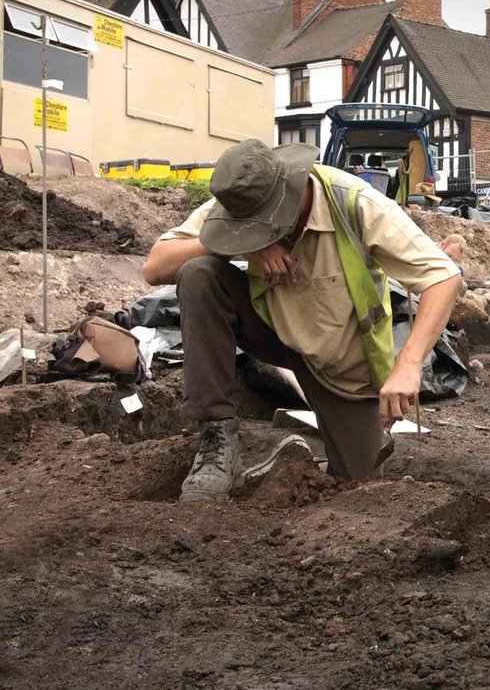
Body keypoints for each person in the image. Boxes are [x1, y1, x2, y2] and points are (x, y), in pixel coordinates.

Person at [143, 139, 462, 502]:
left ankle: (290, 463)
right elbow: (155, 267)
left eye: (262, 224)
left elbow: (443, 277)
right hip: (271, 330)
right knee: (199, 274)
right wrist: (245, 242)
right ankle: (216, 439)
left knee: (357, 487)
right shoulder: (243, 199)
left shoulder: (354, 202)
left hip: (341, 364)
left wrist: (408, 364)